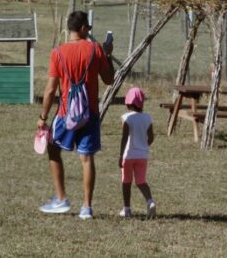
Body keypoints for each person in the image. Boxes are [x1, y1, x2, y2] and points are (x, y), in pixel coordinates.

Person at [37, 11, 115, 220]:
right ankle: (86, 208)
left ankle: (61, 198)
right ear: (82, 28)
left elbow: (50, 88)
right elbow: (109, 80)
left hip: (65, 113)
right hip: (90, 112)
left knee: (53, 150)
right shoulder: (95, 49)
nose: (89, 32)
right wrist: (107, 54)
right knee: (86, 158)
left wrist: (43, 117)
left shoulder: (58, 52)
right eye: (88, 28)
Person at [118, 87, 156, 219]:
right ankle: (150, 201)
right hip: (142, 155)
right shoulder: (147, 118)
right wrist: (144, 145)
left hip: (128, 155)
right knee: (141, 181)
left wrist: (120, 155)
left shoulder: (126, 118)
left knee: (126, 182)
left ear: (128, 102)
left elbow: (124, 138)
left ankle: (127, 209)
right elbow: (151, 137)